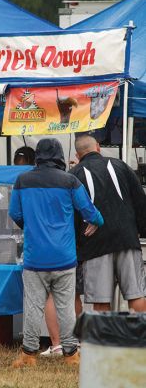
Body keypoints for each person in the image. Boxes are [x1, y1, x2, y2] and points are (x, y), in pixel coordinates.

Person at [9, 138, 104, 367]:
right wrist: (95, 222)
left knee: (33, 306)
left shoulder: (22, 181)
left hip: (35, 258)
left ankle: (28, 354)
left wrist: (30, 227)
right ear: (60, 155)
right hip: (64, 257)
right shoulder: (70, 181)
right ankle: (71, 354)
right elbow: (92, 213)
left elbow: (15, 213)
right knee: (66, 307)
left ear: (38, 155)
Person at [71, 134, 146, 312]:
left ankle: (104, 340)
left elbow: (72, 213)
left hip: (95, 244)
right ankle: (141, 338)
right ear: (98, 147)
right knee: (136, 295)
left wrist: (76, 243)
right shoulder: (121, 166)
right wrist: (141, 231)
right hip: (127, 238)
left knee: (101, 300)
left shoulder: (74, 175)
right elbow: (140, 202)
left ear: (77, 155)